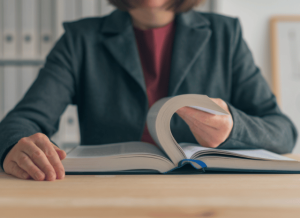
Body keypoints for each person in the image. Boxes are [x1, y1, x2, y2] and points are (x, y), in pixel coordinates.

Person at [0, 0, 297, 181]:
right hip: (107, 194)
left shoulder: (226, 35)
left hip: (207, 195)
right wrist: (16, 145)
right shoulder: (80, 39)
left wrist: (233, 126)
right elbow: (22, 121)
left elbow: (283, 131)